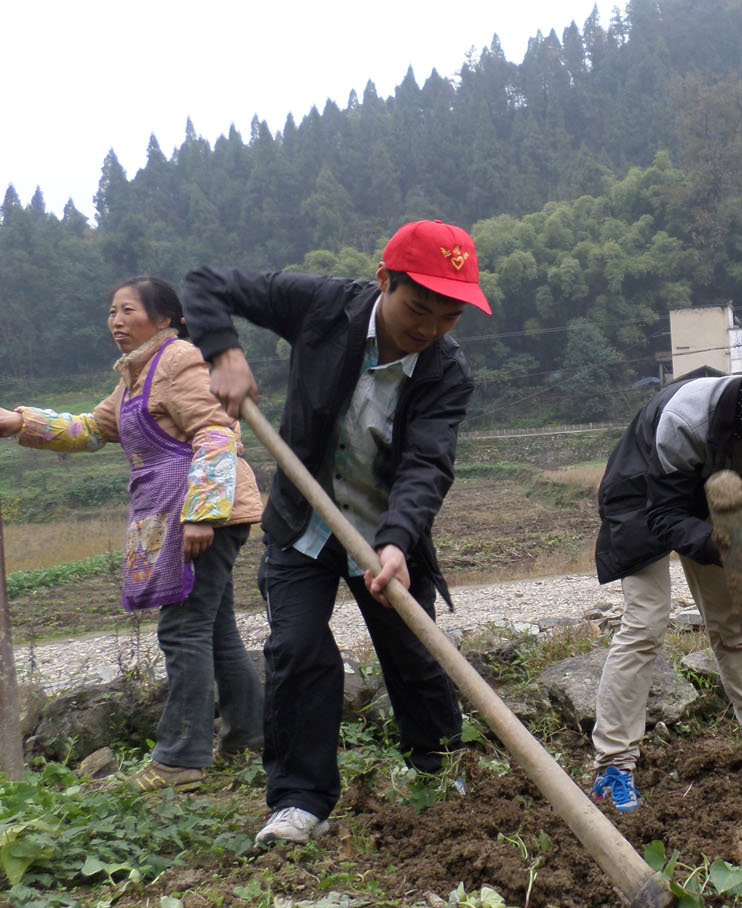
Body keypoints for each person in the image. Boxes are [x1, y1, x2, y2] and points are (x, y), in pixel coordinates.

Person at [179, 219, 490, 845]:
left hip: (384, 535)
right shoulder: (326, 308)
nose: (429, 329)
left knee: (414, 651)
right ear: (384, 282)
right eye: (418, 308)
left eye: (449, 317)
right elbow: (205, 284)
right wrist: (224, 351)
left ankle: (441, 766)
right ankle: (300, 801)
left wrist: (398, 542)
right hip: (304, 526)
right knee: (296, 648)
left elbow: (428, 464)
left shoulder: (445, 372)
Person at [0, 277, 264, 791]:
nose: (116, 321)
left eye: (128, 310)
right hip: (173, 514)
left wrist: (202, 514)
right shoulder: (133, 378)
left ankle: (180, 759)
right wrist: (16, 423)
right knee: (213, 628)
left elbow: (216, 430)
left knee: (183, 630)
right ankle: (248, 737)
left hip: (201, 515)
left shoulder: (178, 360)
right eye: (112, 311)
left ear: (163, 319)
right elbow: (88, 430)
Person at [590, 322, 742, 812]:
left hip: (717, 492)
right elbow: (663, 515)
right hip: (645, 497)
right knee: (646, 623)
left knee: (733, 619)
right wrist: (726, 546)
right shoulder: (687, 420)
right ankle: (612, 765)